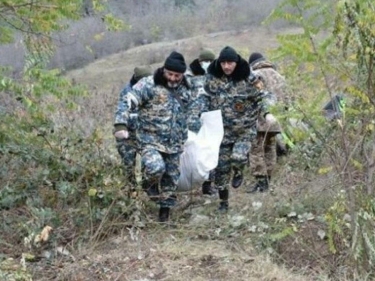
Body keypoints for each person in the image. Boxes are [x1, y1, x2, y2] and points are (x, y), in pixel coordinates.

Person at [114, 51, 192, 222]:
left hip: (175, 143)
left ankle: (165, 214)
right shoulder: (148, 84)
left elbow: (192, 111)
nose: (172, 78)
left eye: (176, 75)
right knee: (156, 168)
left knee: (171, 179)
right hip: (149, 140)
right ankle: (148, 186)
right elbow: (127, 100)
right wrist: (120, 124)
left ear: (182, 74)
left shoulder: (187, 89)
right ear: (164, 70)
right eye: (169, 74)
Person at [199, 46, 276, 211]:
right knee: (221, 168)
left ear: (236, 62)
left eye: (230, 63)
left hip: (244, 129)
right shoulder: (212, 78)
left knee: (239, 157)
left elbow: (265, 96)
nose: (226, 67)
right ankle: (223, 203)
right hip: (221, 131)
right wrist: (197, 116)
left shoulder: (249, 78)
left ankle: (239, 171)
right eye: (223, 63)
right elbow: (203, 97)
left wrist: (267, 112)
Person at [247, 52, 288, 193]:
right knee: (270, 149)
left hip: (259, 119)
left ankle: (261, 182)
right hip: (276, 119)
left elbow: (253, 98)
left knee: (256, 150)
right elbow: (288, 100)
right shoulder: (280, 76)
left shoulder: (256, 75)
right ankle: (268, 179)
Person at [114, 66, 153, 186]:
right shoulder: (127, 92)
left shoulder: (154, 89)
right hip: (128, 135)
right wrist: (121, 126)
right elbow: (122, 110)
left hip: (147, 134)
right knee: (129, 165)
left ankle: (149, 189)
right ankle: (132, 190)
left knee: (150, 163)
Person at [187, 49, 217, 196]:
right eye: (205, 62)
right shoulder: (187, 77)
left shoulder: (214, 77)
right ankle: (188, 182)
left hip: (208, 121)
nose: (207, 64)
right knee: (192, 153)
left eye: (210, 62)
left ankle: (208, 185)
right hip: (190, 122)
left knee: (209, 152)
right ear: (199, 62)